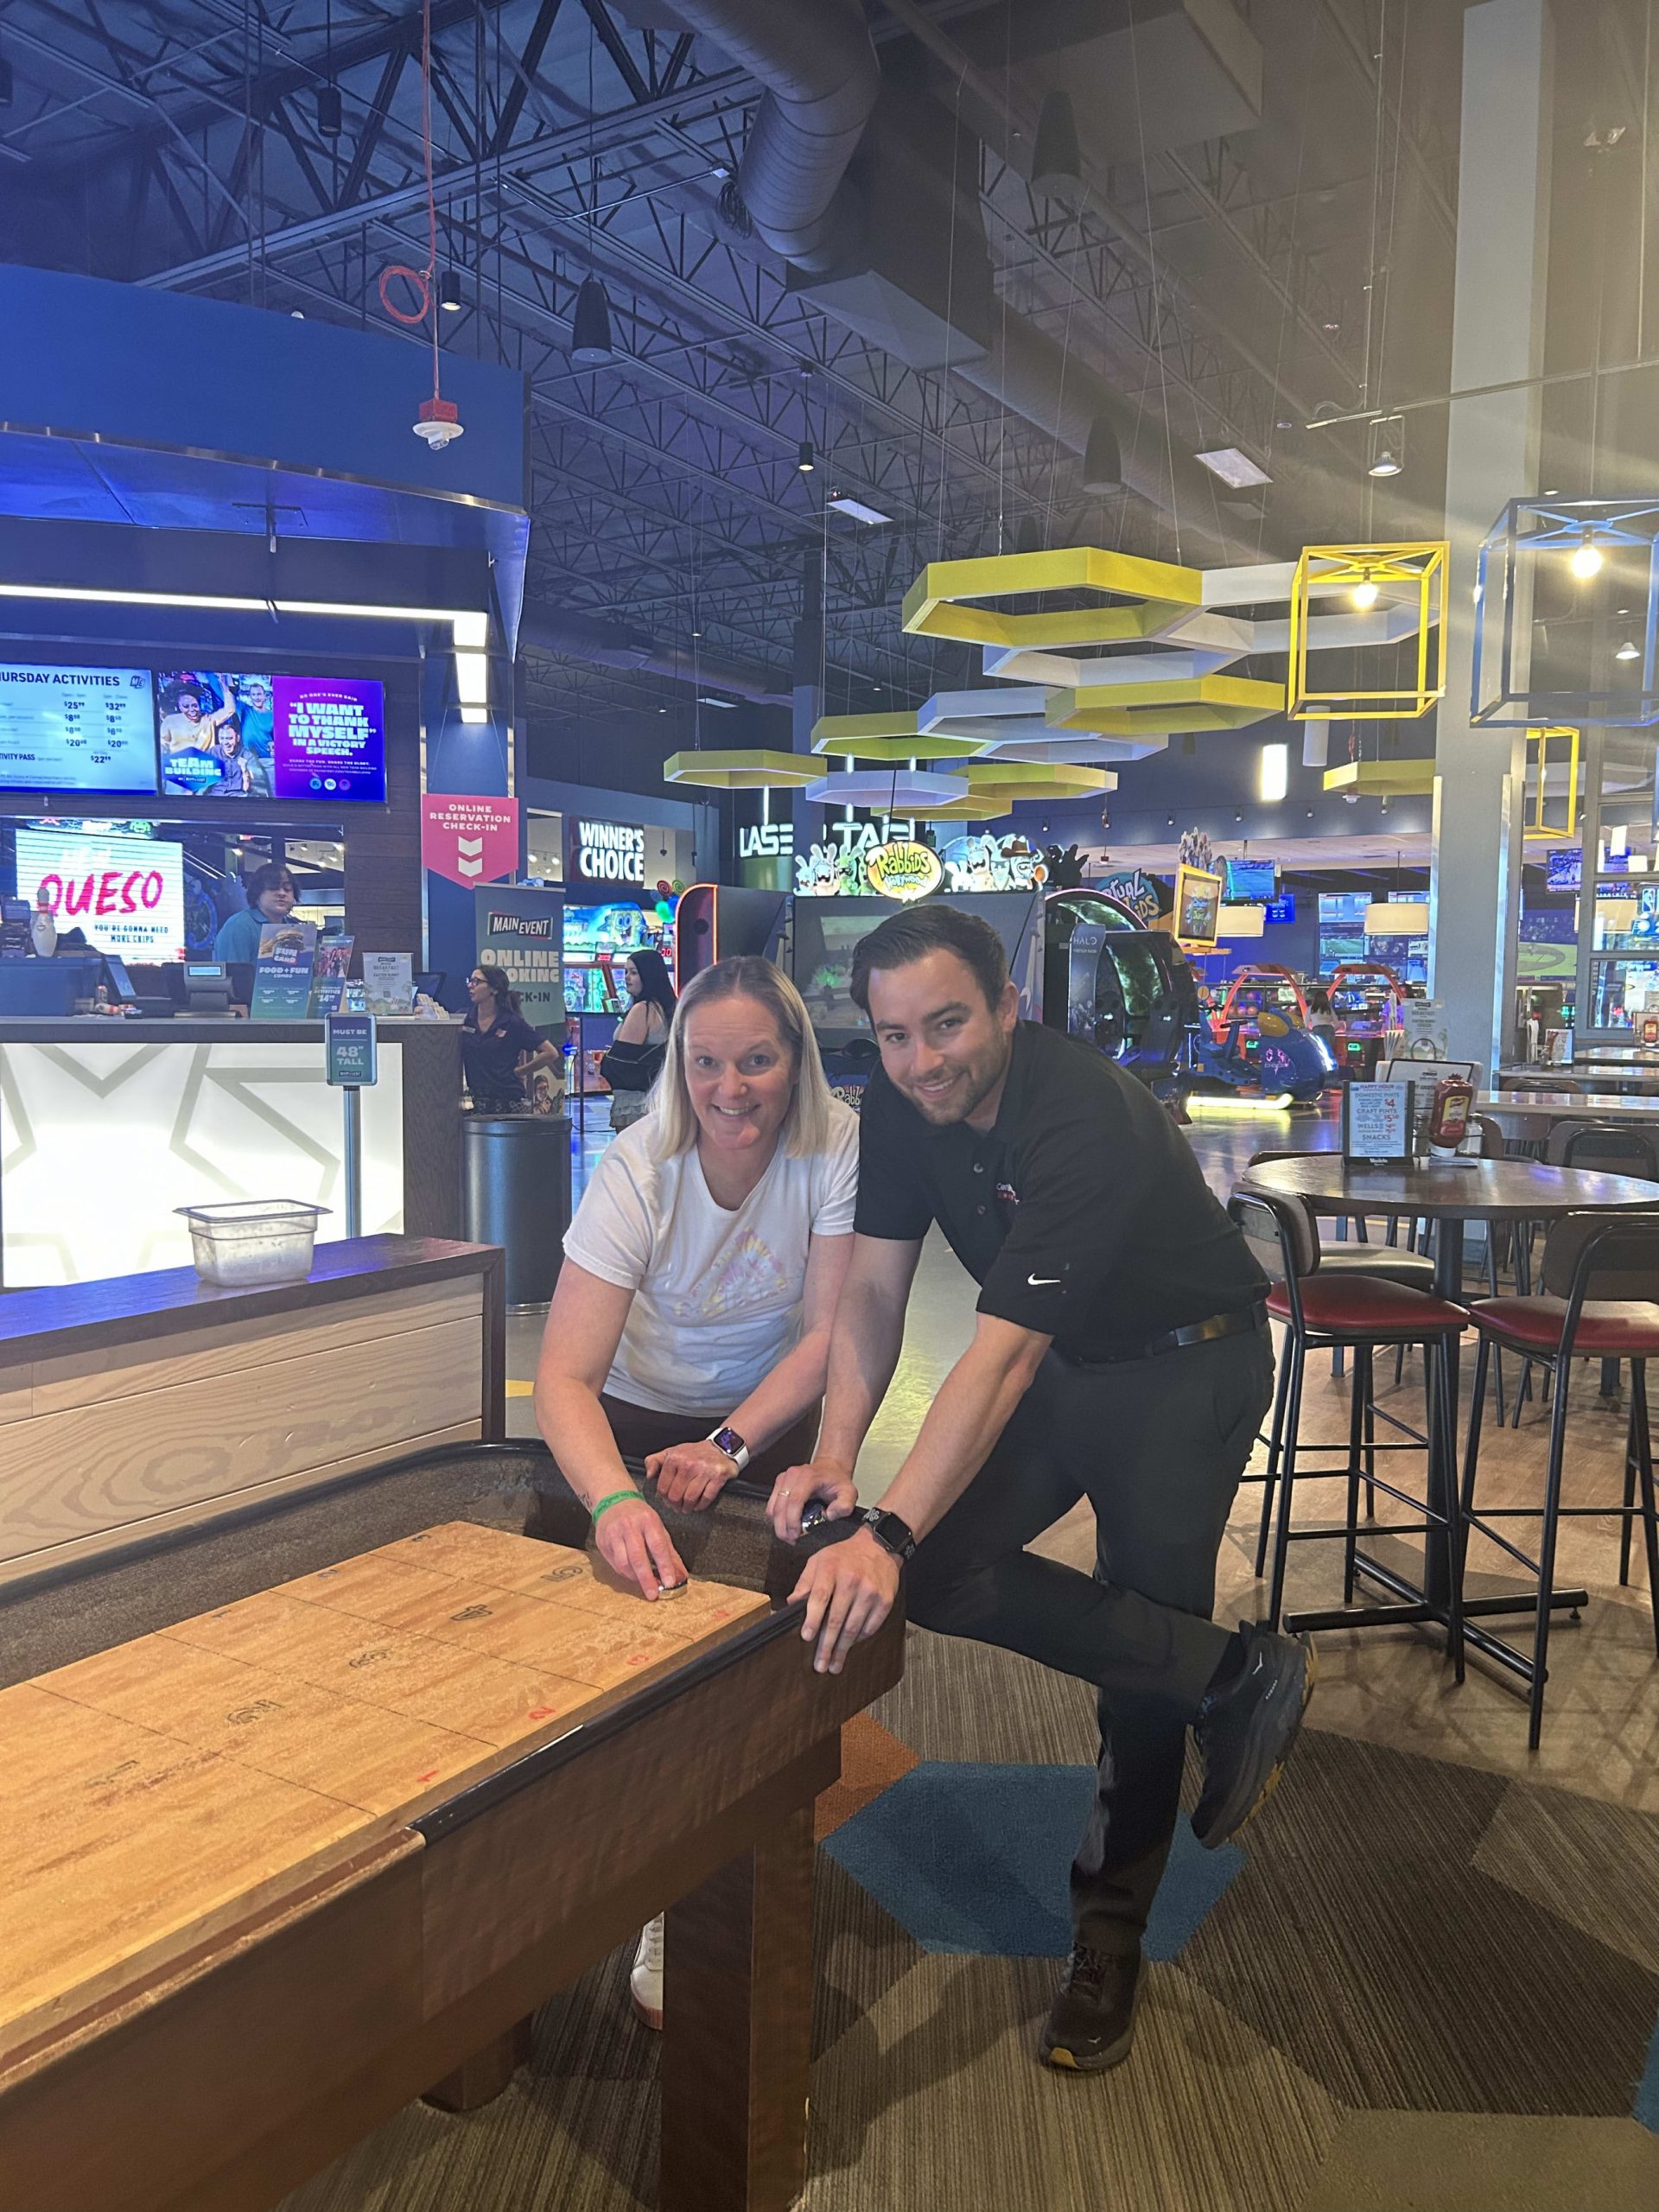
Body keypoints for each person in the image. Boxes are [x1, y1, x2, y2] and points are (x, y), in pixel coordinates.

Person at [771, 905, 1314, 2074]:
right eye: (898, 1034)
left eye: (950, 1022)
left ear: (1007, 1005)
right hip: (1072, 1363)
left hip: (1186, 1371)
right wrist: (833, 1455)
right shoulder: (903, 1110)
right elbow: (870, 1296)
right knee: (955, 1576)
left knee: (1134, 1661)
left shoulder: (1082, 1115)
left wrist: (884, 1523)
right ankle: (1234, 1675)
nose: (925, 1059)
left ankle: (1105, 1946)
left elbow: (998, 1353)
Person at [533, 955, 858, 2031]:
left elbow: (827, 1334)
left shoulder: (836, 1144)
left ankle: (727, 1870)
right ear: (681, 1064)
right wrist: (615, 1502)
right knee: (634, 1655)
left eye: (757, 1059)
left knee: (763, 1662)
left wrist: (729, 1443)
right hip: (626, 1416)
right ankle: (623, 1869)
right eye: (708, 1061)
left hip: (765, 1419)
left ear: (794, 1060)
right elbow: (563, 1378)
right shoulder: (636, 1164)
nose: (732, 1088)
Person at [461, 965, 560, 1112]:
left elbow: (551, 1053)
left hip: (508, 1100)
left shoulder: (512, 1022)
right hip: (477, 1100)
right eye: (470, 981)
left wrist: (519, 1071)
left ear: (494, 989)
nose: (470, 985)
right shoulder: (465, 1018)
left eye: (476, 981)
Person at [604, 947, 677, 1132]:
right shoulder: (666, 1009)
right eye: (625, 972)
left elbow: (623, 1058)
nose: (627, 977)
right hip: (658, 1096)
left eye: (634, 973)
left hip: (634, 1102)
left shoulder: (642, 1010)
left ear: (648, 975)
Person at [213, 862, 298, 965]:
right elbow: (233, 977)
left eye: (287, 889)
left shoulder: (292, 929)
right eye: (273, 887)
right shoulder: (239, 926)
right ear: (257, 892)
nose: (282, 893)